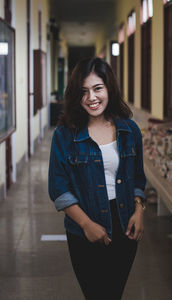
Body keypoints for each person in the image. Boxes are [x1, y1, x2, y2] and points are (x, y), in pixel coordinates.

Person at [48, 57, 146, 300]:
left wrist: (139, 211)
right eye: (83, 91)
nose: (91, 97)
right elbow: (59, 188)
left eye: (97, 88)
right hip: (84, 228)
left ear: (109, 88)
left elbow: (138, 178)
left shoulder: (129, 130)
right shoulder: (64, 135)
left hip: (125, 225)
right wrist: (86, 224)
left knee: (114, 293)